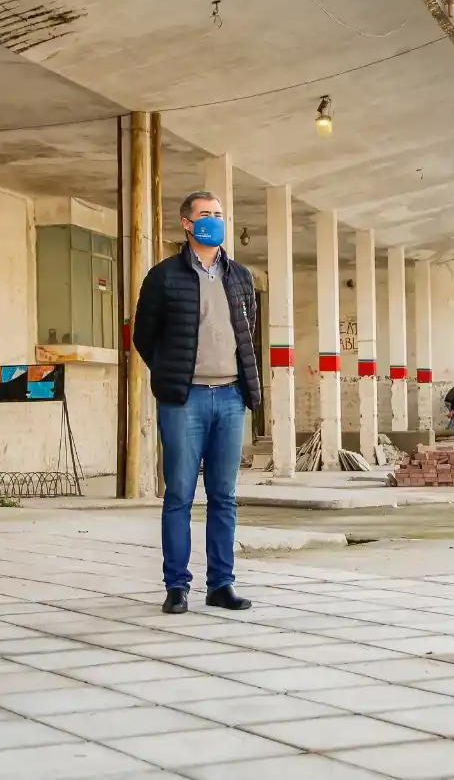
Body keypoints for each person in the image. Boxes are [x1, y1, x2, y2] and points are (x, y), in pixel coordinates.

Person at [133, 190, 261, 615]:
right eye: (206, 215)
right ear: (187, 223)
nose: (214, 221)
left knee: (224, 496)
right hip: (184, 399)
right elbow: (144, 337)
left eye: (220, 214)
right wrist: (173, 374)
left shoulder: (240, 276)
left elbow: (248, 332)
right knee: (180, 496)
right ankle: (177, 586)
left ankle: (221, 584)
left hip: (229, 397)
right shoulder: (163, 276)